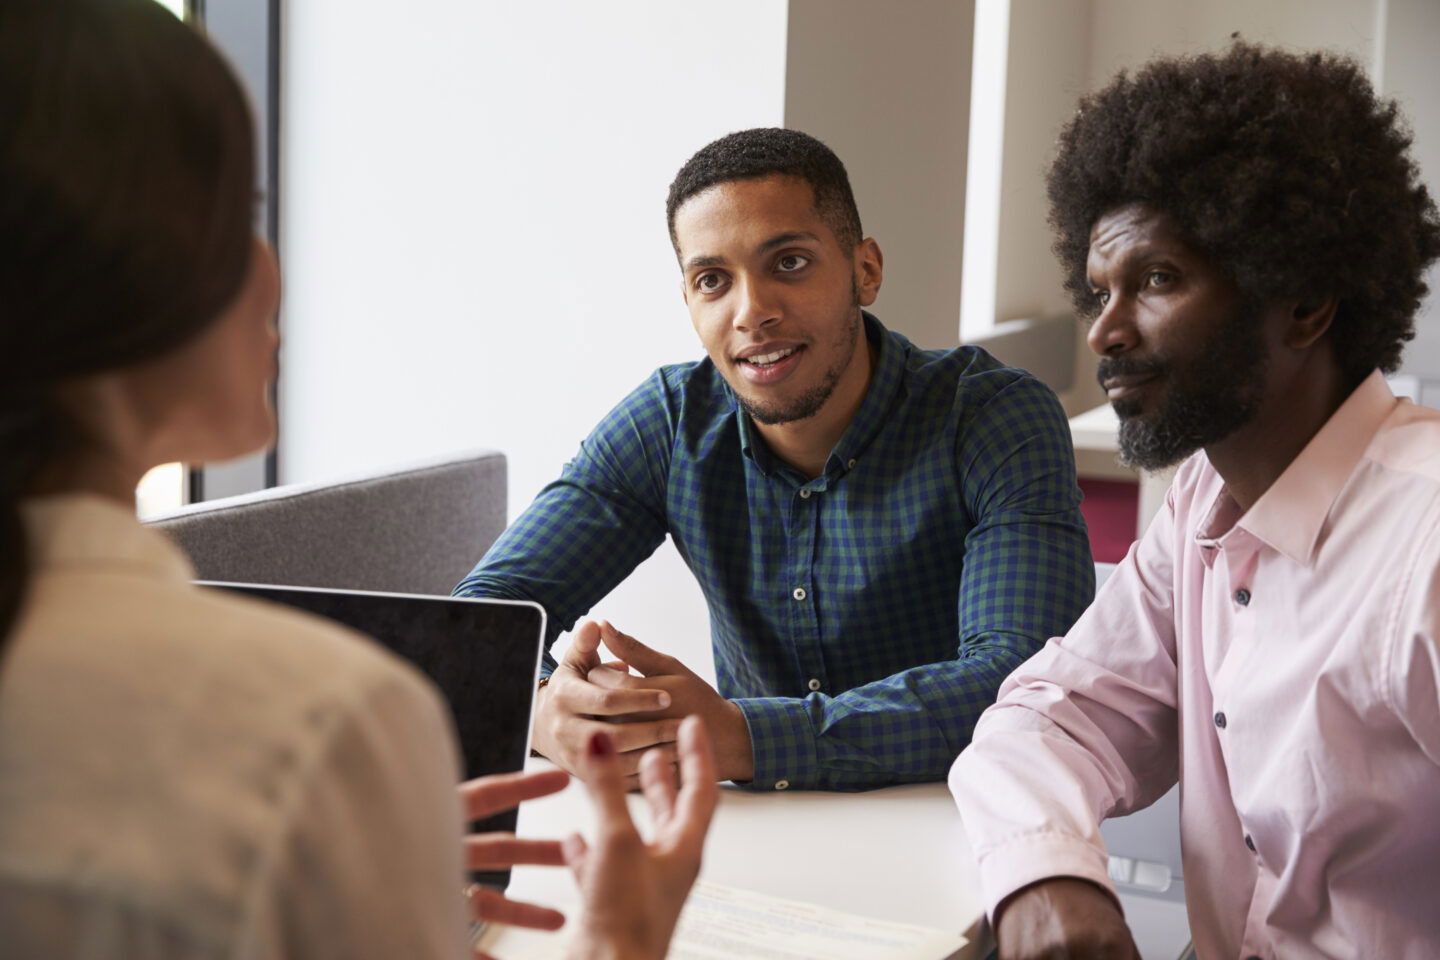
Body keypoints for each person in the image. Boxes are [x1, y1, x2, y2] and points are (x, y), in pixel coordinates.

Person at [0, 2, 714, 958]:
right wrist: (617, 940)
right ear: (114, 279)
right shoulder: (310, 723)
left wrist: (349, 846)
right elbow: (497, 598)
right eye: (237, 221)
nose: (270, 265)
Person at [949, 42, 1440, 960]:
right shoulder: (1203, 502)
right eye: (1099, 291)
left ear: (1304, 302)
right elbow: (1051, 715)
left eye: (1159, 280)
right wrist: (1047, 875)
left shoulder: (1426, 541)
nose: (1104, 329)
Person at [456, 128, 1095, 792]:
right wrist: (542, 710)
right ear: (689, 302)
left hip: (962, 824)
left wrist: (746, 738)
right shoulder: (668, 423)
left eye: (788, 262)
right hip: (756, 839)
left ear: (865, 271)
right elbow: (481, 617)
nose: (751, 311)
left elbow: (1022, 679)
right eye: (713, 280)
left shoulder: (994, 416)